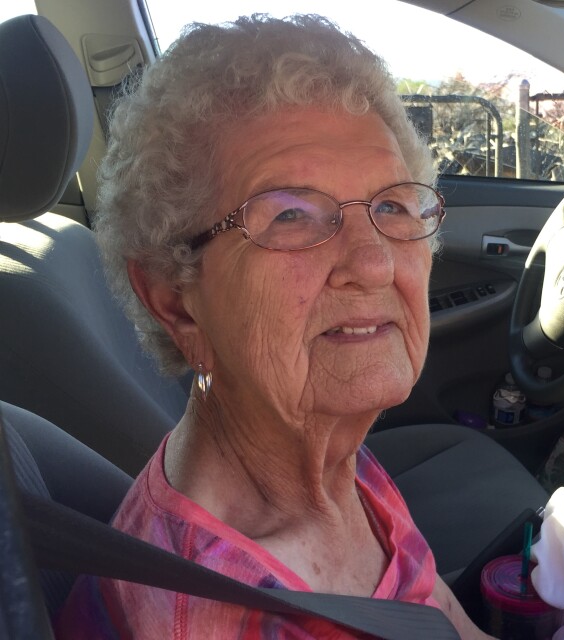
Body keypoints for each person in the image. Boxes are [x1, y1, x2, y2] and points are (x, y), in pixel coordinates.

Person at [56, 14, 492, 639]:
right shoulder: (204, 617)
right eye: (290, 214)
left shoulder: (333, 460)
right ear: (175, 300)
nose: (373, 262)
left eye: (392, 205)